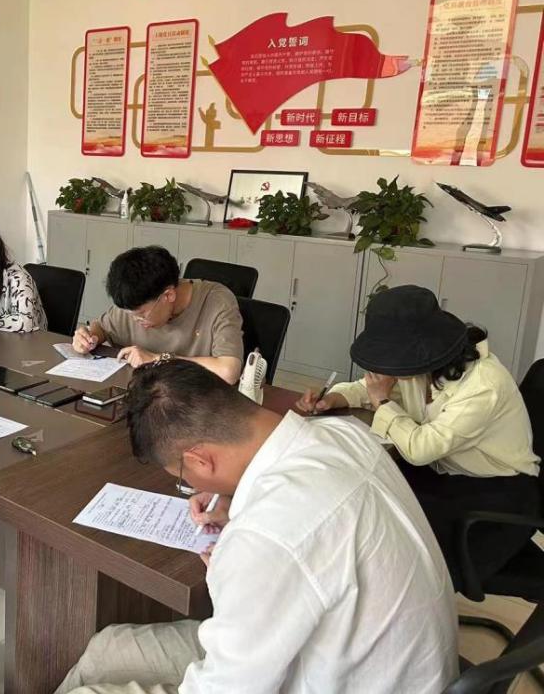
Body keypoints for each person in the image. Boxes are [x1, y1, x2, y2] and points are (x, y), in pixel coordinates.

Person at [58, 360, 457, 694]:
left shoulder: (265, 537)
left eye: (183, 476)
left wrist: (228, 572)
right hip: (363, 660)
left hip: (336, 678)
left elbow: (224, 688)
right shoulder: (340, 432)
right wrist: (234, 501)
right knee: (105, 648)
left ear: (199, 460)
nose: (190, 485)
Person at [297, 285, 540, 585]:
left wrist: (382, 403)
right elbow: (371, 386)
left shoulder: (484, 384)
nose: (393, 366)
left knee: (399, 543)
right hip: (446, 472)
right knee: (368, 492)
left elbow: (421, 448)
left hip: (498, 490)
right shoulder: (423, 362)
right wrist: (335, 398)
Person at [71, 246, 243, 384]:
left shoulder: (217, 301)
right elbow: (102, 327)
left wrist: (158, 359)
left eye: (141, 314)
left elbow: (229, 371)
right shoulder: (135, 302)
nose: (135, 320)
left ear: (169, 295)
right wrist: (88, 337)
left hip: (196, 403)